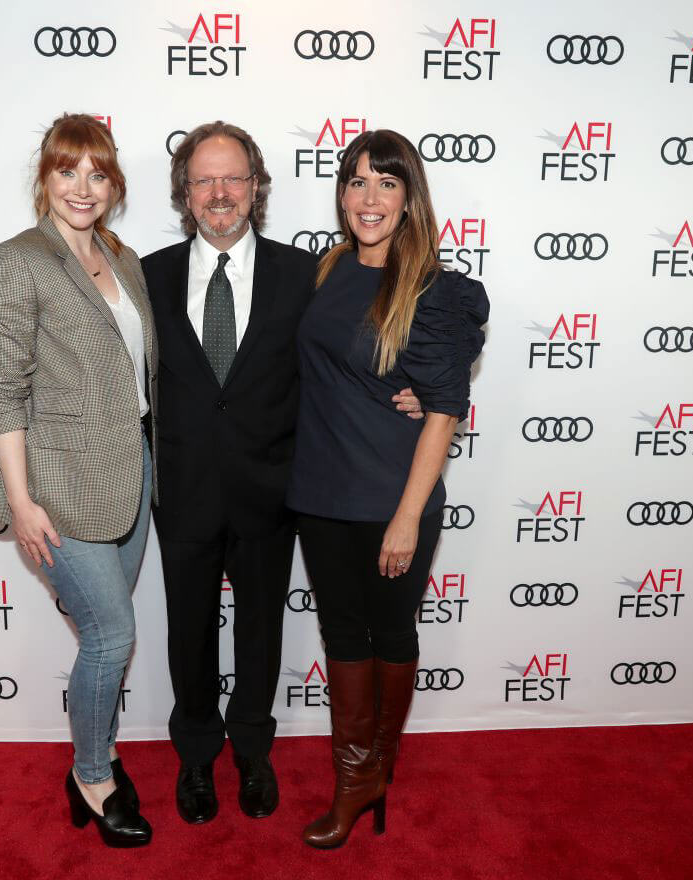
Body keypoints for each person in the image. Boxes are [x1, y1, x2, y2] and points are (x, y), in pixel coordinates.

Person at [140, 122, 423, 824]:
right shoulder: (146, 276)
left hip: (274, 490)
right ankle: (198, 758)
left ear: (257, 186)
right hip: (184, 490)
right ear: (184, 192)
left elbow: (372, 328)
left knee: (261, 632)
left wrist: (419, 386)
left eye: (233, 178)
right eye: (203, 179)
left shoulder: (310, 274)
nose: (219, 193)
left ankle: (252, 752)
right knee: (189, 632)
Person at [287, 129, 489, 848]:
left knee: (391, 630)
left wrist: (407, 518)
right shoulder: (329, 267)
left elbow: (443, 410)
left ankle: (379, 765)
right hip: (319, 488)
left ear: (409, 201)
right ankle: (355, 776)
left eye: (386, 184)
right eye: (357, 182)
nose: (368, 198)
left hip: (391, 495)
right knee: (342, 633)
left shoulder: (431, 287)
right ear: (342, 194)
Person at [0, 113, 157, 848]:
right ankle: (91, 773)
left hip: (134, 474)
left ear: (113, 184)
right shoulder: (19, 260)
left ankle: (103, 747)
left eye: (98, 172)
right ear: (44, 179)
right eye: (67, 170)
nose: (83, 186)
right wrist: (20, 502)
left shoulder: (123, 256)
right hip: (55, 486)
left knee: (98, 634)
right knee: (112, 636)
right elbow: (1, 386)